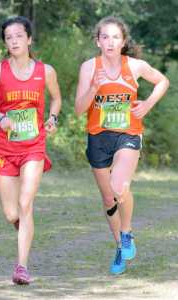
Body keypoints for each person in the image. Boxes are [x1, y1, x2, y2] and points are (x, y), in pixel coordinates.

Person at [75, 16, 169, 275]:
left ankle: (126, 231)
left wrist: (147, 104)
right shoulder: (89, 68)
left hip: (128, 133)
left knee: (119, 187)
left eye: (115, 37)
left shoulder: (135, 66)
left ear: (123, 41)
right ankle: (119, 245)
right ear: (97, 41)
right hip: (98, 137)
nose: (110, 42)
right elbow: (78, 109)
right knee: (108, 198)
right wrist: (94, 88)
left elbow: (162, 81)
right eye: (104, 36)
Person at [0, 16, 61, 284]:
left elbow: (57, 98)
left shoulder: (45, 71)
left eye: (18, 36)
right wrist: (0, 117)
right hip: (5, 147)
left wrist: (53, 118)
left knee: (26, 203)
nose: (13, 41)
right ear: (5, 42)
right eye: (8, 37)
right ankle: (24, 228)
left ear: (29, 39)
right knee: (13, 214)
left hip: (34, 145)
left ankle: (21, 267)